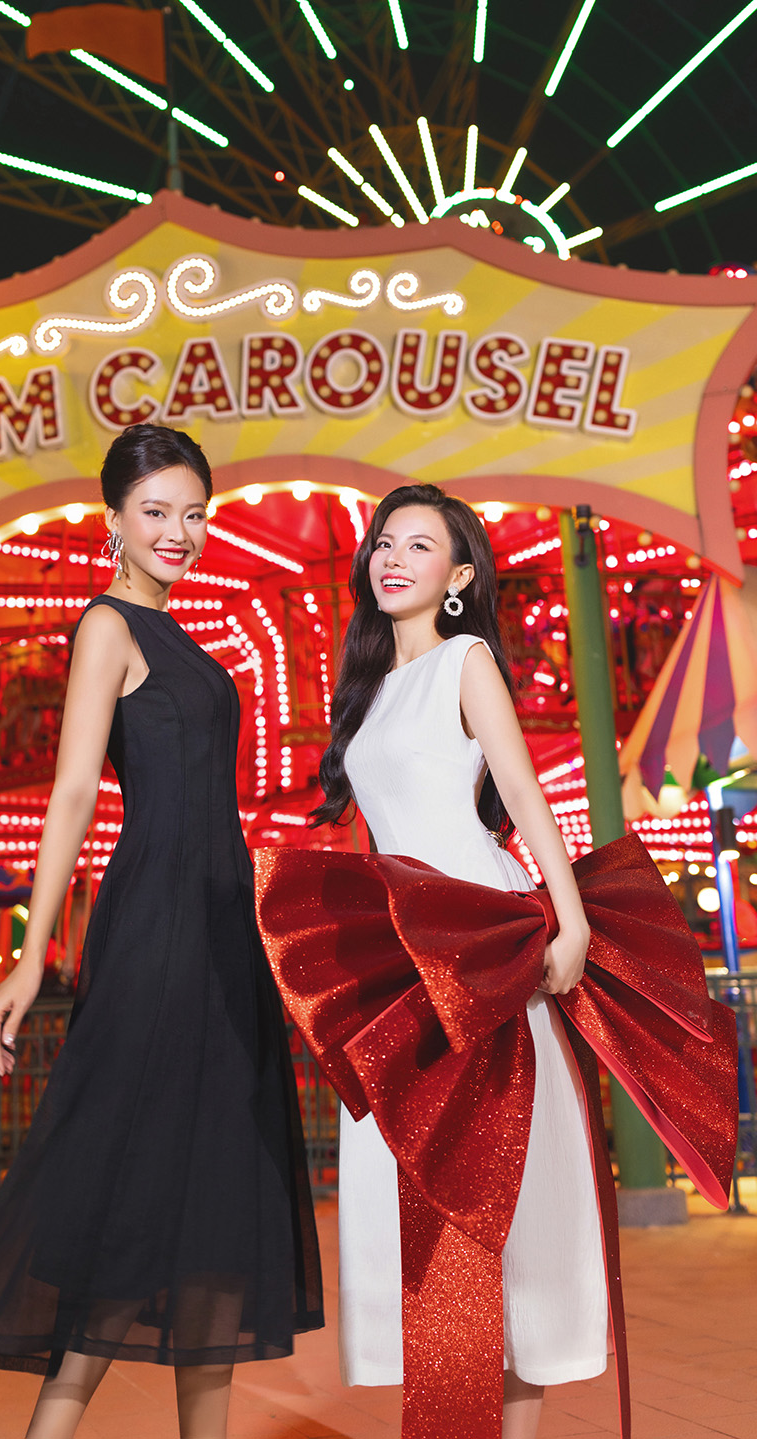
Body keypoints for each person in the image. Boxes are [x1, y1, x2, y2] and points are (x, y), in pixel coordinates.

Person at [0, 423, 323, 1439]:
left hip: (223, 934)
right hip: (161, 922)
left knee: (217, 1204)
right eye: (156, 511)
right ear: (114, 520)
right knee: (138, 1201)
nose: (178, 531)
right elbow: (71, 792)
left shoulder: (180, 633)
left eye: (194, 513)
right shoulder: (107, 625)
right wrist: (29, 956)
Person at [311, 484, 606, 1439]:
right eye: (383, 542)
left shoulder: (466, 660)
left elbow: (521, 791)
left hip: (478, 949)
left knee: (499, 1200)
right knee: (415, 1193)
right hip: (404, 959)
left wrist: (568, 918)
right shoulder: (366, 691)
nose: (392, 558)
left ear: (459, 575)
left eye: (419, 545)